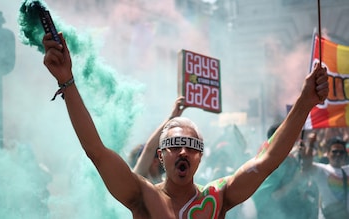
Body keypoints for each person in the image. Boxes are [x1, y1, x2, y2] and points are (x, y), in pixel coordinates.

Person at [41, 32, 328, 218]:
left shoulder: (217, 198)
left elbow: (266, 162)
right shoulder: (142, 196)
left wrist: (305, 102)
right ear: (161, 155)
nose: (182, 152)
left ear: (200, 156)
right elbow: (96, 151)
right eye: (173, 145)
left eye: (191, 146)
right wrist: (67, 82)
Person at [131, 96, 186, 184]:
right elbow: (149, 149)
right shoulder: (140, 180)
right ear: (155, 161)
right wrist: (171, 118)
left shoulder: (169, 185)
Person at [302, 134, 349, 219]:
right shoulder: (321, 170)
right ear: (327, 153)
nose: (338, 154)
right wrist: (311, 144)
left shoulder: (347, 171)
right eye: (334, 151)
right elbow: (307, 165)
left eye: (341, 152)